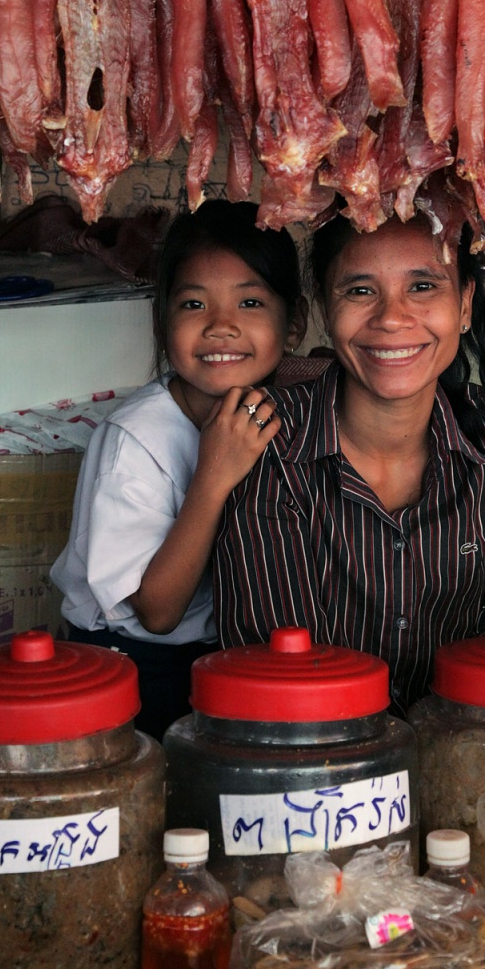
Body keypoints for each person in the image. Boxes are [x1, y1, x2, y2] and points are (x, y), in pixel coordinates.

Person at [212, 212, 485, 714]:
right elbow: (278, 663)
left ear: (464, 306)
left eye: (422, 286)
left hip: (466, 748)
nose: (391, 318)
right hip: (320, 765)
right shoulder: (266, 438)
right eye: (359, 291)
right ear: (326, 312)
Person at [51, 201, 307, 740]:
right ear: (163, 319)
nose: (221, 326)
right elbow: (158, 612)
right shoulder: (135, 439)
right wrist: (213, 476)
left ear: (294, 325)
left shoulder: (273, 407)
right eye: (194, 303)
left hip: (223, 655)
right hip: (135, 665)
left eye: (251, 302)